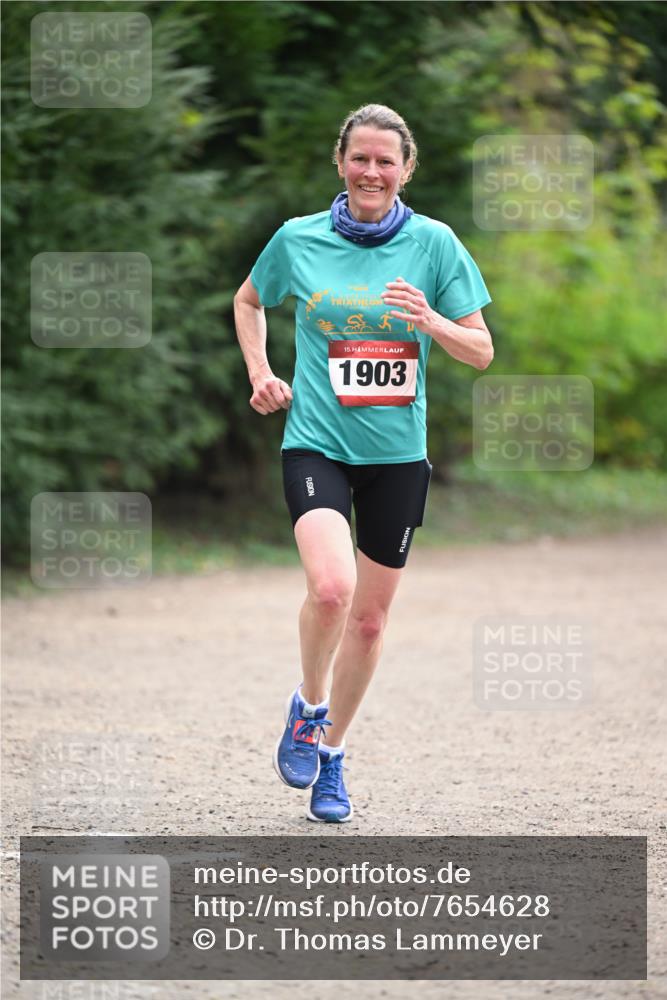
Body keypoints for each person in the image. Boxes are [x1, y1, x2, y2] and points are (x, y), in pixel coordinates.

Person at [234, 103, 493, 823]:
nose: (371, 171)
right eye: (360, 158)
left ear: (405, 169)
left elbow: (481, 350)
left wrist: (432, 322)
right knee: (329, 590)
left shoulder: (435, 244)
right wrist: (260, 371)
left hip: (398, 459)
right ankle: (308, 708)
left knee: (371, 623)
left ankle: (332, 758)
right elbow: (249, 300)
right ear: (340, 163)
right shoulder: (298, 238)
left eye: (386, 161)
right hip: (316, 441)